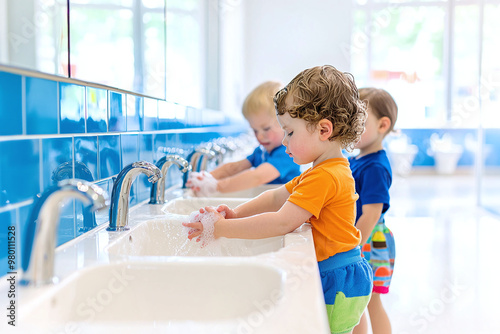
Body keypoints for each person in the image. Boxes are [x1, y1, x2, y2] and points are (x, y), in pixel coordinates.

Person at [183, 65, 372, 334]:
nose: (284, 141)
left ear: (324, 130)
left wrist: (222, 228)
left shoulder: (325, 176)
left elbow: (281, 222)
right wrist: (237, 214)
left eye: (290, 132)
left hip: (337, 281)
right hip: (342, 274)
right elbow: (275, 197)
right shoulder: (321, 170)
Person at [187, 81, 300, 196]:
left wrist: (217, 186)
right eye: (255, 130)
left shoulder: (288, 154)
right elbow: (235, 168)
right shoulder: (261, 152)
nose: (260, 136)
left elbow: (257, 177)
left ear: (285, 124)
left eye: (266, 129)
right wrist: (207, 177)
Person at [350, 88, 397, 334]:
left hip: (368, 240)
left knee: (370, 301)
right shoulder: (357, 159)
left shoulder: (376, 166)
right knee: (356, 301)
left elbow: (371, 213)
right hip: (362, 238)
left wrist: (352, 246)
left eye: (359, 122)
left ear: (383, 125)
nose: (350, 127)